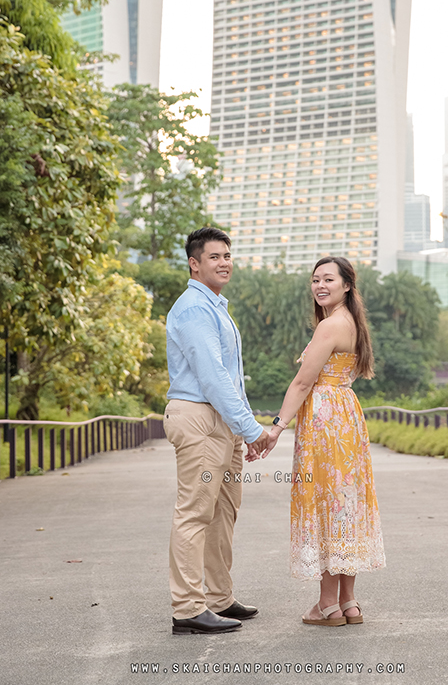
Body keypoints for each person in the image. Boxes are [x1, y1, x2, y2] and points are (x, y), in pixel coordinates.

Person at [260, 256, 385, 626]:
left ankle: (327, 604)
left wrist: (277, 427)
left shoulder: (329, 327)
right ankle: (349, 603)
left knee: (327, 502)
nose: (320, 286)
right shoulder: (353, 324)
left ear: (347, 284)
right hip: (346, 414)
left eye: (328, 279)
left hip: (324, 419)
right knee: (345, 502)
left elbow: (302, 383)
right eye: (315, 280)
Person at [164, 227, 270, 635]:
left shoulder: (216, 307)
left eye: (227, 255)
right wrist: (252, 427)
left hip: (222, 424)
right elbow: (211, 377)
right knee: (195, 513)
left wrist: (241, 429)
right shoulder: (193, 308)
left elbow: (231, 378)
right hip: (198, 418)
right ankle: (188, 608)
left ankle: (219, 598)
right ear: (194, 263)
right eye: (214, 256)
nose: (224, 262)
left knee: (223, 512)